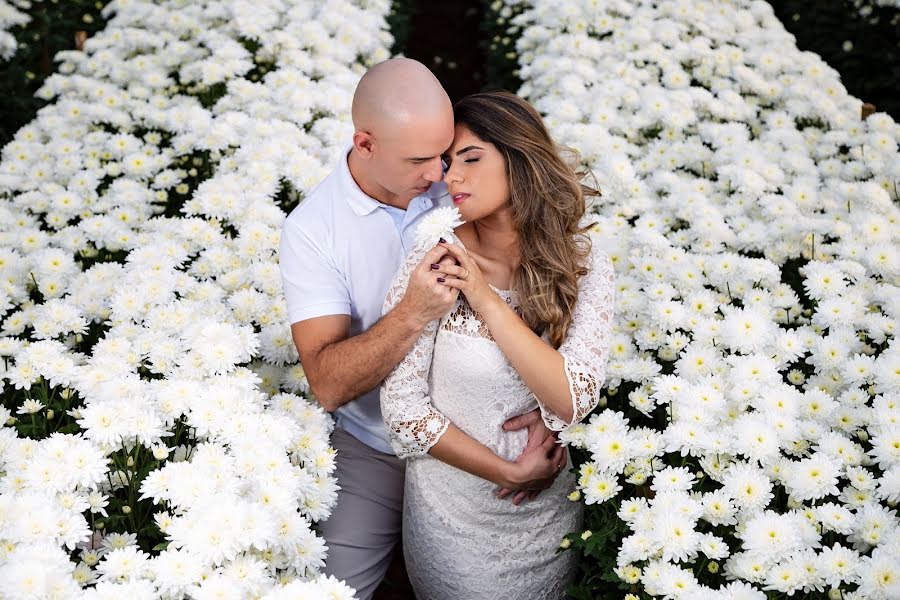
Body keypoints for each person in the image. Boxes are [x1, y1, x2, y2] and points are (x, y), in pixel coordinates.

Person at [278, 60, 563, 600]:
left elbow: (549, 280)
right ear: (364, 144)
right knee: (329, 589)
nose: (440, 175)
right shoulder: (313, 230)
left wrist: (553, 407)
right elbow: (329, 383)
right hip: (379, 447)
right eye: (420, 159)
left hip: (488, 424)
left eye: (447, 153)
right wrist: (413, 312)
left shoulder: (459, 179)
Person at [380, 90, 616, 599]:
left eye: (470, 158)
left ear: (519, 156)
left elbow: (572, 398)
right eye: (446, 164)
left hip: (546, 524)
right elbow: (402, 408)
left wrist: (486, 299)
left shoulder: (583, 261)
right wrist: (512, 471)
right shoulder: (436, 257)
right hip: (453, 521)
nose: (451, 178)